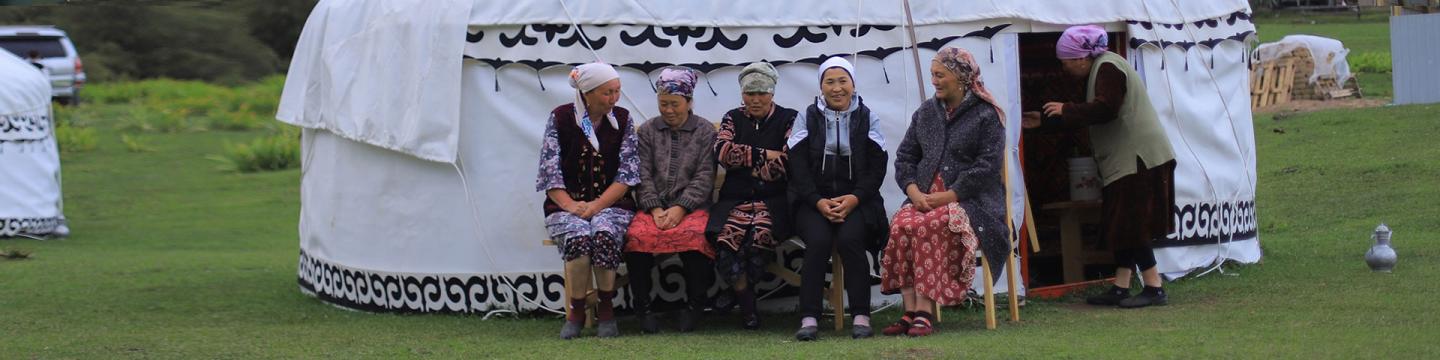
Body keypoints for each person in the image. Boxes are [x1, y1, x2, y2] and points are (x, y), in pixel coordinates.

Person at [1022, 25, 1178, 309]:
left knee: (1132, 223)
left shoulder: (1108, 68)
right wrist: (1045, 121)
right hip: (1128, 160)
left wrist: (1066, 109)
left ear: (1081, 58)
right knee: (1122, 223)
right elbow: (1093, 112)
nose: (1064, 67)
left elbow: (1106, 109)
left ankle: (1154, 287)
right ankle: (1120, 286)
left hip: (1137, 158)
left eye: (1066, 61)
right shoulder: (1104, 68)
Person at [880, 47, 1008, 337]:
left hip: (973, 202)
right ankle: (910, 310)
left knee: (932, 224)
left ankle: (925, 311)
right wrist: (913, 192)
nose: (934, 81)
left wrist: (950, 196)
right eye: (932, 75)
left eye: (940, 75)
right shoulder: (926, 112)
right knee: (902, 224)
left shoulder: (986, 115)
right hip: (923, 197)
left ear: (961, 78)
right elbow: (905, 158)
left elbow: (987, 166)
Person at [536, 62, 641, 339]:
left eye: (617, 91)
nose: (614, 98)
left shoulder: (622, 118)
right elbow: (550, 173)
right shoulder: (561, 118)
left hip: (611, 205)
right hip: (566, 206)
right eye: (607, 93)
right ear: (587, 93)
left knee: (604, 233)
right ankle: (576, 311)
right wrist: (573, 206)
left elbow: (627, 175)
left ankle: (606, 310)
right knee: (579, 237)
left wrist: (596, 206)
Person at [787, 57, 889, 341]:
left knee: (850, 240)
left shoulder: (868, 118)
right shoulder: (806, 117)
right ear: (821, 86)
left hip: (857, 201)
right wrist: (818, 201)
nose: (836, 88)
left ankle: (861, 315)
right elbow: (797, 168)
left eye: (842, 80)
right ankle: (809, 317)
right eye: (829, 81)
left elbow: (876, 169)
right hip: (812, 201)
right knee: (817, 242)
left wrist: (854, 199)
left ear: (853, 84)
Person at [623, 66, 717, 333]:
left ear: (689, 102)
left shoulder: (705, 131)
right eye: (663, 104)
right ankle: (643, 309)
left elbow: (704, 176)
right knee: (636, 238)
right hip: (653, 208)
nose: (669, 110)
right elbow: (641, 174)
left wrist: (680, 208)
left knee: (696, 236)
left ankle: (695, 306)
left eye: (675, 104)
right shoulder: (648, 131)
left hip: (692, 207)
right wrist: (653, 209)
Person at [707, 61, 797, 330]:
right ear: (742, 94)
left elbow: (791, 160)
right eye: (750, 94)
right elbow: (721, 151)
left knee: (761, 237)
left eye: (762, 93)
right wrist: (764, 155)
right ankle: (747, 303)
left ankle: (738, 295)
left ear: (772, 93)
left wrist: (747, 166)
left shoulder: (789, 118)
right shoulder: (732, 117)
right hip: (734, 198)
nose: (755, 100)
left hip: (773, 200)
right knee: (726, 239)